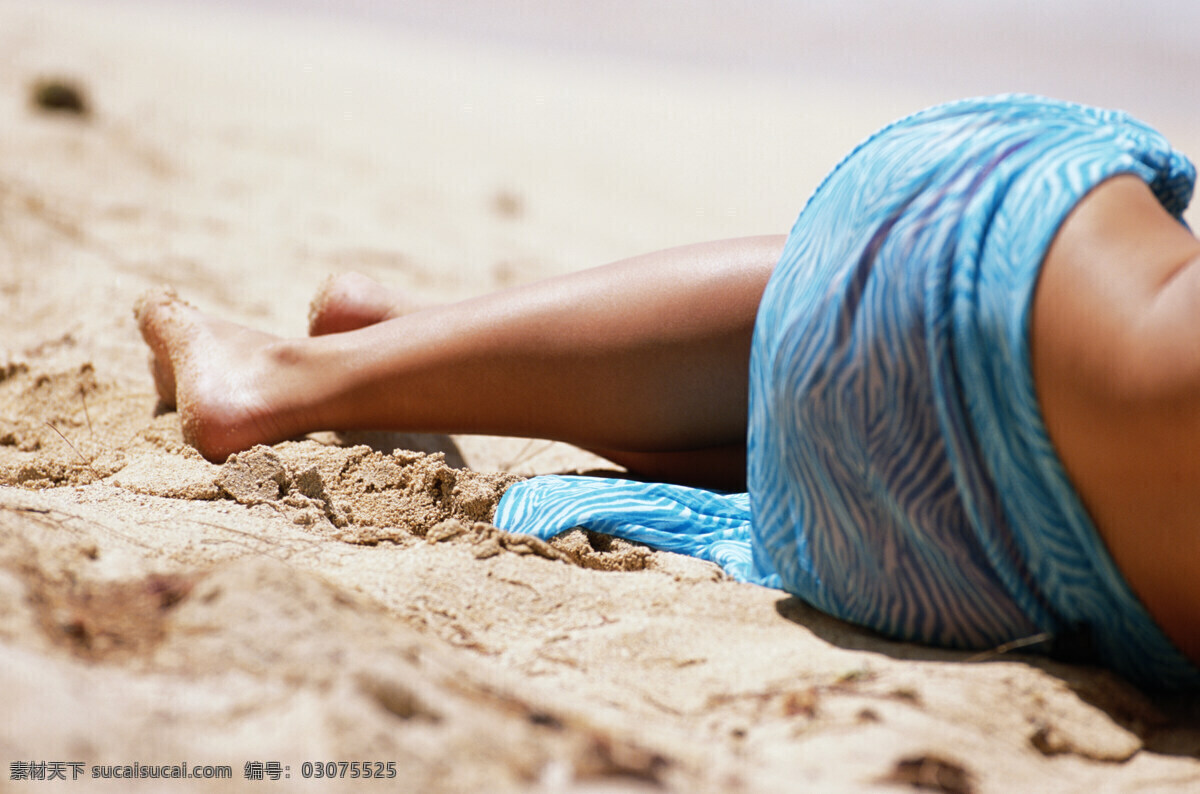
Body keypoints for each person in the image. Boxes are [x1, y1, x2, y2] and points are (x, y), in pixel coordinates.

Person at [137, 95, 1200, 689]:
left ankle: (298, 373)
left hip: (945, 302)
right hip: (955, 561)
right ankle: (422, 345)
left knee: (906, 277)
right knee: (888, 384)